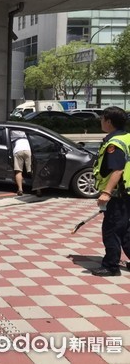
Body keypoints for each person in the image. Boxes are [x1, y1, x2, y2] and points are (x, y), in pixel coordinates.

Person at [91, 106, 130, 277]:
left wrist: (106, 192)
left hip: (117, 194)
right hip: (127, 192)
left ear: (109, 122)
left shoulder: (114, 144)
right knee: (126, 229)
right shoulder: (127, 137)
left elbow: (118, 169)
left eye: (102, 118)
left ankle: (110, 266)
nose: (100, 121)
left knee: (112, 229)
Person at [11, 129, 31, 196]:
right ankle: (38, 189)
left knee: (18, 171)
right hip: (28, 150)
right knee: (32, 170)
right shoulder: (25, 131)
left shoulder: (12, 131)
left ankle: (20, 189)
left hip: (18, 150)